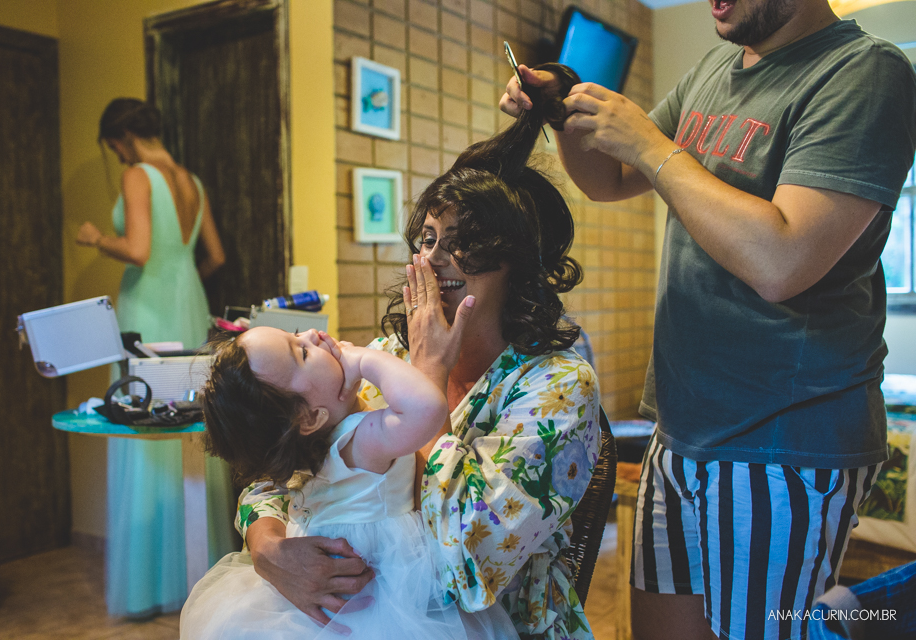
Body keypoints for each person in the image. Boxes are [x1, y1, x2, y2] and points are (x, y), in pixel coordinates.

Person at [500, 1, 916, 639]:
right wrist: (562, 109)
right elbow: (608, 179)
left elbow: (782, 259)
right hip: (682, 427)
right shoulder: (712, 72)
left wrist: (650, 141)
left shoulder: (863, 71)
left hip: (785, 442)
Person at [231, 94, 602, 639]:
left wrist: (427, 383)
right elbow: (281, 456)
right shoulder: (384, 359)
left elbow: (467, 567)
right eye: (427, 240)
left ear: (519, 263)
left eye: (464, 244)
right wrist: (269, 548)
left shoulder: (557, 388)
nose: (431, 260)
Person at [179, 325, 520, 639]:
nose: (313, 335)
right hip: (383, 600)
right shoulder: (359, 440)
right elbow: (428, 408)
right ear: (311, 417)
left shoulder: (306, 451)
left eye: (297, 335)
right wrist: (365, 360)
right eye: (302, 352)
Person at [76, 98, 232, 618]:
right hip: (189, 305)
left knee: (141, 429)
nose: (117, 157)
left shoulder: (138, 174)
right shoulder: (191, 181)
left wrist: (99, 239)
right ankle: (197, 575)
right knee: (188, 430)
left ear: (121, 137)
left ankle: (147, 585)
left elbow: (139, 249)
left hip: (148, 307)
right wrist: (180, 284)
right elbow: (215, 256)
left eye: (114, 148)